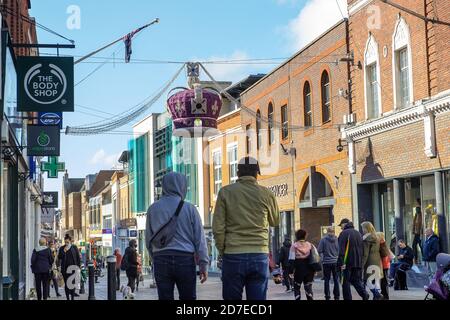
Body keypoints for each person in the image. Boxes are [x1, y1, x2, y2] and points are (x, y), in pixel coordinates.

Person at [213, 157, 280, 300]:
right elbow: (275, 221)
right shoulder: (267, 194)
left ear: (238, 173)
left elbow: (218, 228)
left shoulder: (225, 192)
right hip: (259, 254)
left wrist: (223, 250)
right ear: (257, 173)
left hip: (233, 254)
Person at [146, 172, 209, 300]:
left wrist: (155, 258)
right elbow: (200, 240)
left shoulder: (153, 209)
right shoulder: (190, 209)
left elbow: (148, 240)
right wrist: (203, 264)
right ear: (182, 186)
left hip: (161, 259)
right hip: (185, 259)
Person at [337, 218, 369, 301]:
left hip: (346, 262)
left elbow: (341, 250)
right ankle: (365, 294)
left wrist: (341, 263)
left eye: (341, 225)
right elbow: (362, 248)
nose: (341, 227)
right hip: (357, 261)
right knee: (356, 280)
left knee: (345, 282)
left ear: (345, 224)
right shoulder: (358, 233)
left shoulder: (343, 233)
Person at [288, 229, 315, 300]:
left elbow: (291, 259)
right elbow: (314, 257)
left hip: (298, 268)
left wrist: (290, 271)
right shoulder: (310, 245)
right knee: (308, 287)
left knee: (297, 287)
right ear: (305, 236)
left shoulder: (294, 246)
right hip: (309, 268)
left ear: (297, 236)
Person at [361, 221, 383, 300]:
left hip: (369, 262)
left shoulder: (366, 239)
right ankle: (376, 295)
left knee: (367, 281)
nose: (362, 230)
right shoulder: (376, 237)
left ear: (366, 229)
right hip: (377, 260)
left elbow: (365, 254)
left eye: (363, 228)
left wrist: (362, 264)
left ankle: (377, 294)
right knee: (375, 280)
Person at [318, 227, 340, 300]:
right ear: (334, 231)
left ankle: (327, 296)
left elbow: (319, 250)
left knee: (326, 279)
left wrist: (322, 258)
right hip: (335, 262)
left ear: (327, 232)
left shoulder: (323, 240)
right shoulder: (337, 240)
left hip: (326, 262)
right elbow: (339, 251)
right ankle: (337, 296)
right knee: (336, 279)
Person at [57, 234, 81, 300]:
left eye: (67, 242)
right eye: (65, 242)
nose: (66, 243)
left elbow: (78, 258)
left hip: (73, 268)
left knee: (72, 284)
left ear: (70, 241)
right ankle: (68, 298)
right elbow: (59, 257)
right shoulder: (62, 248)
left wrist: (78, 267)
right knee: (67, 285)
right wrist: (64, 251)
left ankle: (72, 298)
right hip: (65, 269)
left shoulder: (74, 247)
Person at [378, 232, 394, 300]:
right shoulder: (383, 244)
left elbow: (384, 254)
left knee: (384, 281)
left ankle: (385, 296)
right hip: (385, 265)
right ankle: (384, 294)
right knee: (383, 280)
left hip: (384, 265)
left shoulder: (382, 244)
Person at [412, 199, 423, 264]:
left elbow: (421, 224)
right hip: (417, 233)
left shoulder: (421, 214)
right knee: (414, 245)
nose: (416, 209)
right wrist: (413, 230)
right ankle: (416, 259)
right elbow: (414, 223)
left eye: (417, 208)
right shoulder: (416, 215)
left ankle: (423, 258)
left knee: (421, 246)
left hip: (420, 233)